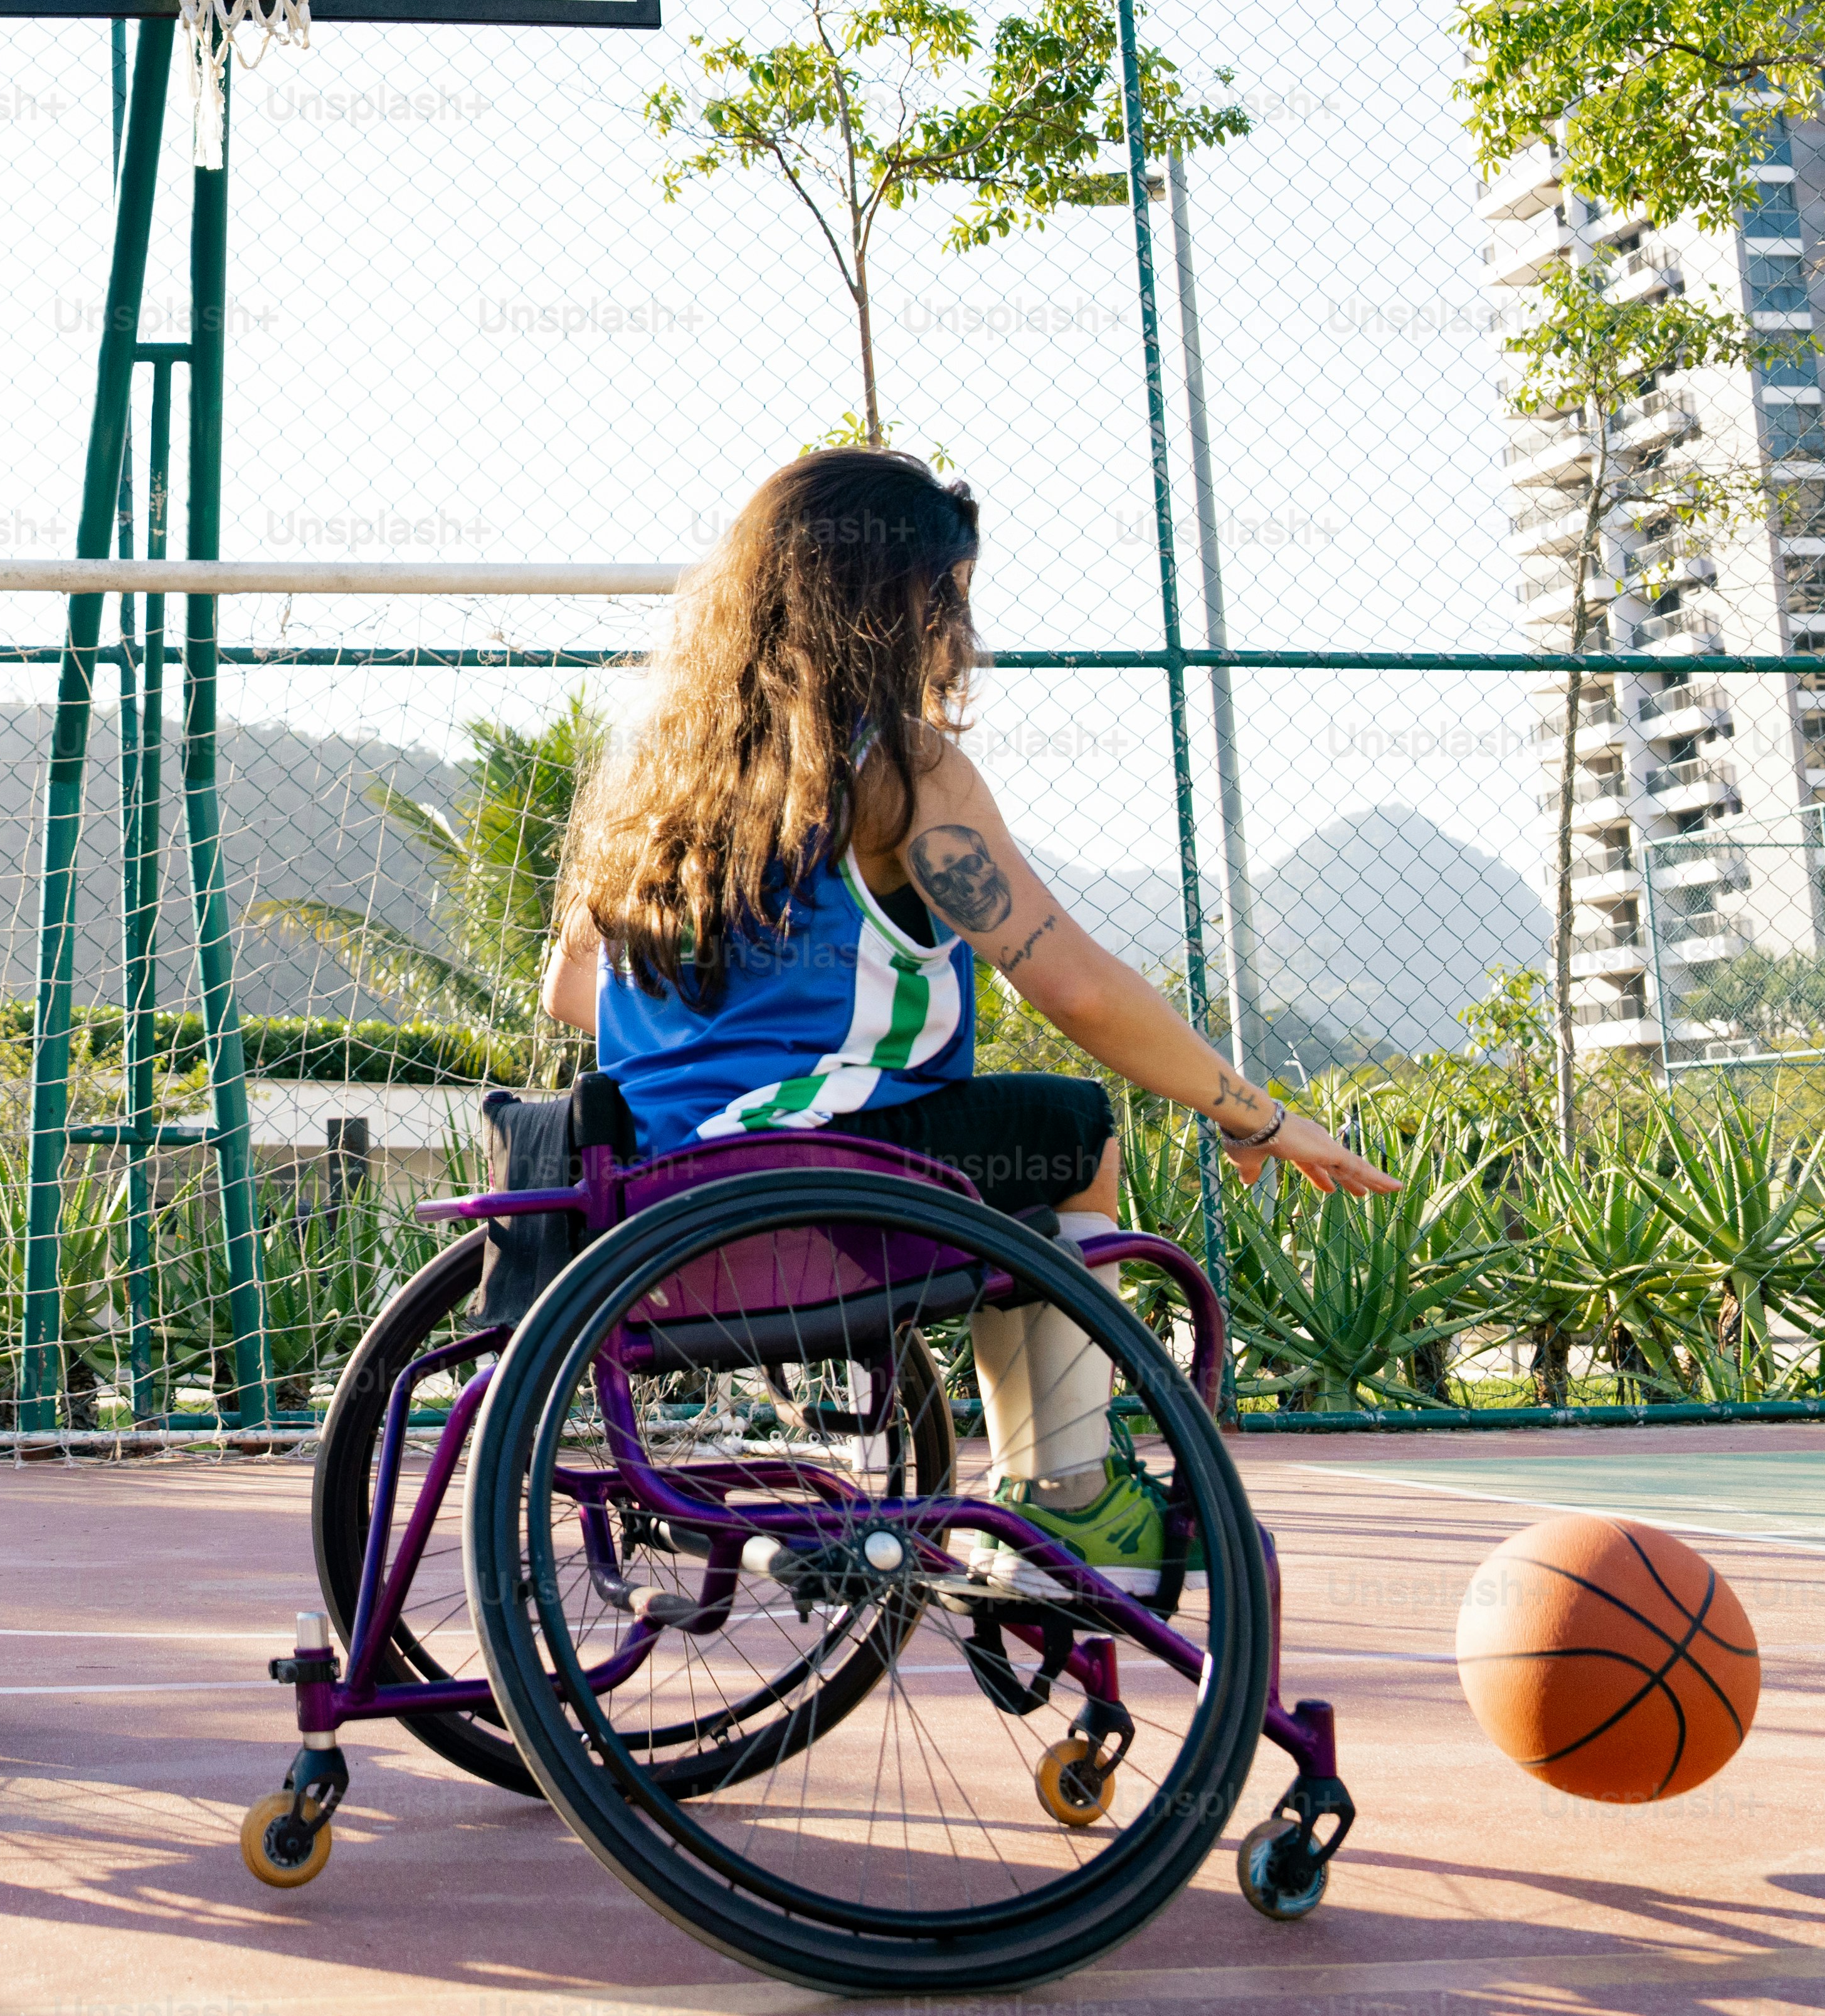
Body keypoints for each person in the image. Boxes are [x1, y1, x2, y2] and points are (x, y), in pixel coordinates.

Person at [546, 450, 1395, 1591]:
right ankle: (1065, 1496)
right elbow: (1073, 986)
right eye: (950, 595)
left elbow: (569, 996)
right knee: (1064, 1130)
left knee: (1005, 1139)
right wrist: (1253, 1117)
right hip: (806, 1193)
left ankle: (1049, 1486)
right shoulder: (900, 771)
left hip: (642, 1218)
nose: (958, 626)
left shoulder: (652, 773)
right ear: (899, 600)